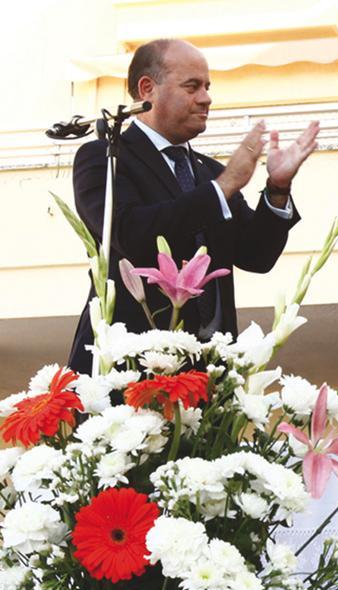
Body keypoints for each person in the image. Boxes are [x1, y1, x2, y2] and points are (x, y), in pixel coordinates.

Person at [67, 39, 318, 373]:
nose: (206, 98)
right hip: (128, 369)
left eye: (208, 87)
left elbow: (257, 256)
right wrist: (223, 187)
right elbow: (130, 233)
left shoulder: (210, 173)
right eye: (192, 86)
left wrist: (277, 187)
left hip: (208, 373)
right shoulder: (105, 157)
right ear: (147, 89)